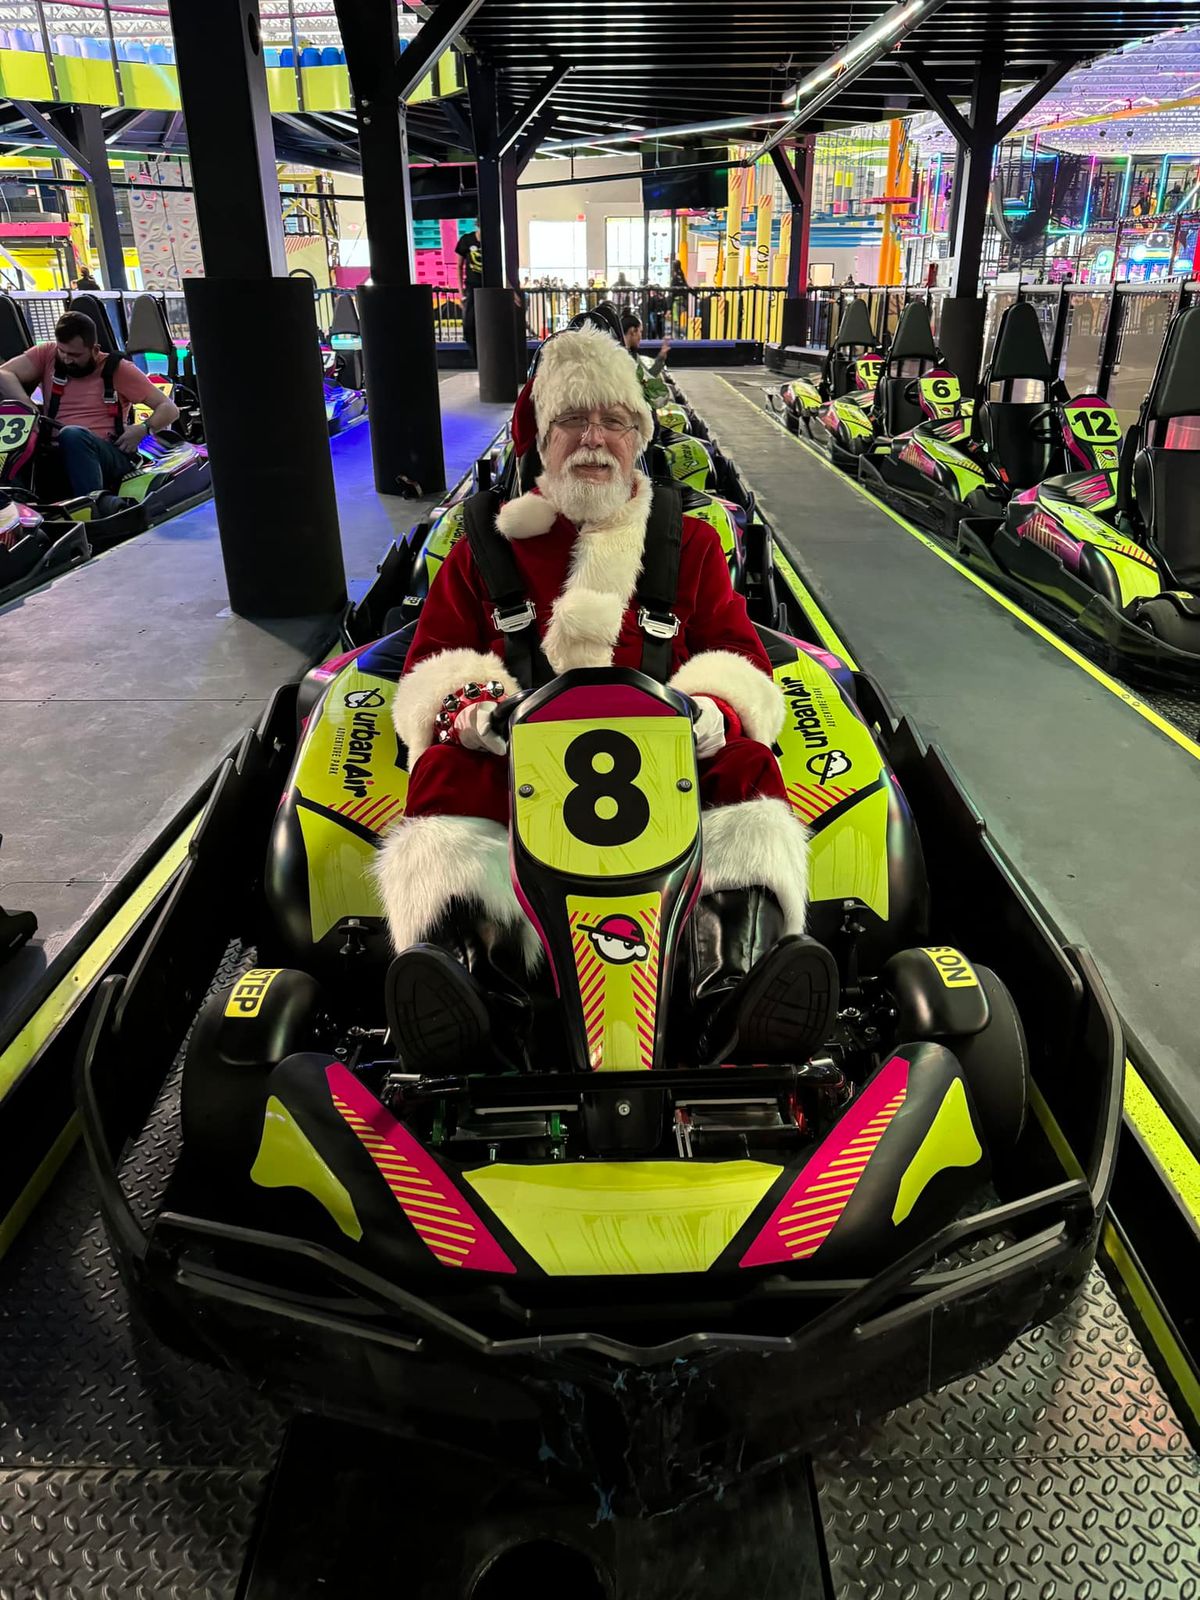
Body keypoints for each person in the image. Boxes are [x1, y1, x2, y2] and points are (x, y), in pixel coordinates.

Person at [376, 321, 832, 1073]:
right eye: (573, 421)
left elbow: (738, 656)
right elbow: (431, 666)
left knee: (748, 766)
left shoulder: (688, 543)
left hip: (668, 760)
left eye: (614, 421)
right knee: (444, 778)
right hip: (522, 761)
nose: (595, 439)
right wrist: (473, 712)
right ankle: (479, 997)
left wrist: (714, 710)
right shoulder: (481, 549)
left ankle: (732, 991)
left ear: (638, 437)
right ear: (540, 442)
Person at [0, 310, 178, 498]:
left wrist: (144, 429)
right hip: (54, 452)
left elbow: (169, 408)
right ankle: (12, 502)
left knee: (72, 434)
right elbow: (4, 374)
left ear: (94, 349)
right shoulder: (47, 354)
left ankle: (93, 503)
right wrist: (28, 407)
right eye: (62, 352)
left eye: (75, 355)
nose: (67, 359)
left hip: (107, 454)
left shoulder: (118, 369)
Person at [455, 225, 483, 364]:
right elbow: (459, 266)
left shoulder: (492, 241)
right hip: (472, 287)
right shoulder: (467, 240)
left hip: (488, 287)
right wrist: (461, 293)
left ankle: (484, 358)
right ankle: (476, 357)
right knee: (469, 324)